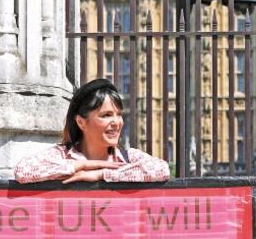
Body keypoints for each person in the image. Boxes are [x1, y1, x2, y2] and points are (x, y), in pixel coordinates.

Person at [13, 78, 169, 184]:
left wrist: (101, 174)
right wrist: (81, 165)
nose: (117, 122)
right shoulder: (60, 155)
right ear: (81, 122)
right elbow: (23, 170)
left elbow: (161, 170)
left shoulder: (130, 157)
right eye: (106, 115)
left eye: (119, 115)